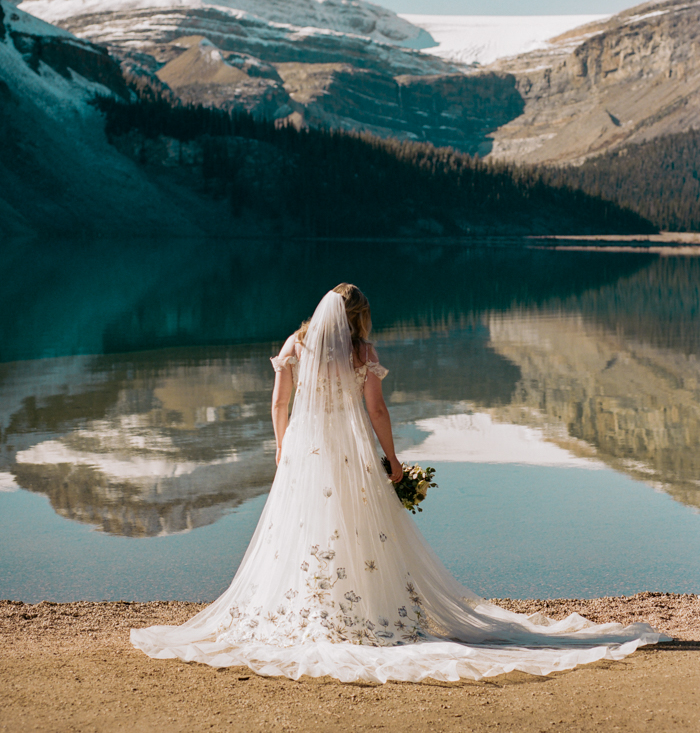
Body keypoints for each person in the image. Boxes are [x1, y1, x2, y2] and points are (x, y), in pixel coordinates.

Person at [131, 285, 668, 683]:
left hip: (303, 451)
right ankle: (370, 612)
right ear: (358, 320)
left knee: (299, 530)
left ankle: (308, 609)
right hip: (349, 453)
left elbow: (278, 404)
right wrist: (393, 461)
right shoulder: (362, 355)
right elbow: (379, 411)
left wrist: (281, 446)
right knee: (362, 530)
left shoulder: (295, 347)